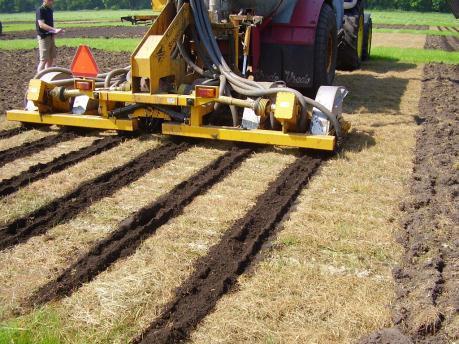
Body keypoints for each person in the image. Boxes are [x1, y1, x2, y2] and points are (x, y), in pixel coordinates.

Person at [36, 0, 64, 72]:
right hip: (44, 37)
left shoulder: (50, 10)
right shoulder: (40, 10)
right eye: (49, 0)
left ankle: (47, 77)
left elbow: (50, 23)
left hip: (51, 36)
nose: (51, 2)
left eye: (52, 0)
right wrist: (54, 30)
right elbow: (41, 25)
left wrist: (53, 33)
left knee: (50, 58)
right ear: (44, 0)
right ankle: (38, 79)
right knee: (44, 60)